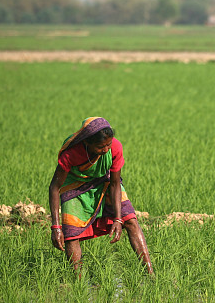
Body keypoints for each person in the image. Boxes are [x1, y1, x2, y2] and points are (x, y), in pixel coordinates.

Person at [48, 117, 154, 275]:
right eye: (100, 147)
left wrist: (118, 218)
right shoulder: (72, 154)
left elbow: (115, 183)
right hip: (75, 186)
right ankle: (79, 283)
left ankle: (151, 274)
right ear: (87, 143)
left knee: (130, 219)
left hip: (104, 182)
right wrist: (56, 227)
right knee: (71, 233)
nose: (105, 150)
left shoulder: (115, 147)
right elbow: (54, 187)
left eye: (108, 145)